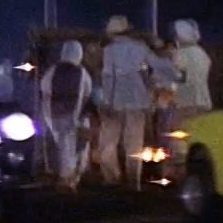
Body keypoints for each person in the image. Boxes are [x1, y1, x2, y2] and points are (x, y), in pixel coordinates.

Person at [96, 15, 177, 187]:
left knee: (108, 142)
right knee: (134, 143)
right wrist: (177, 72)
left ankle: (112, 178)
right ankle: (133, 181)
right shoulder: (140, 47)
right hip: (138, 102)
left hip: (115, 102)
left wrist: (107, 101)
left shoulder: (109, 51)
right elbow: (158, 65)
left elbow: (109, 78)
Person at [39, 41, 93, 191]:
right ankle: (68, 180)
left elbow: (44, 90)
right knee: (73, 148)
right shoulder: (82, 72)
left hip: (53, 116)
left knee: (61, 146)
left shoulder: (52, 70)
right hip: (73, 117)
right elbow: (87, 93)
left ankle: (63, 177)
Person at [170, 19, 213, 116]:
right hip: (202, 96)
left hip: (186, 99)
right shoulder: (200, 52)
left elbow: (179, 76)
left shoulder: (181, 54)